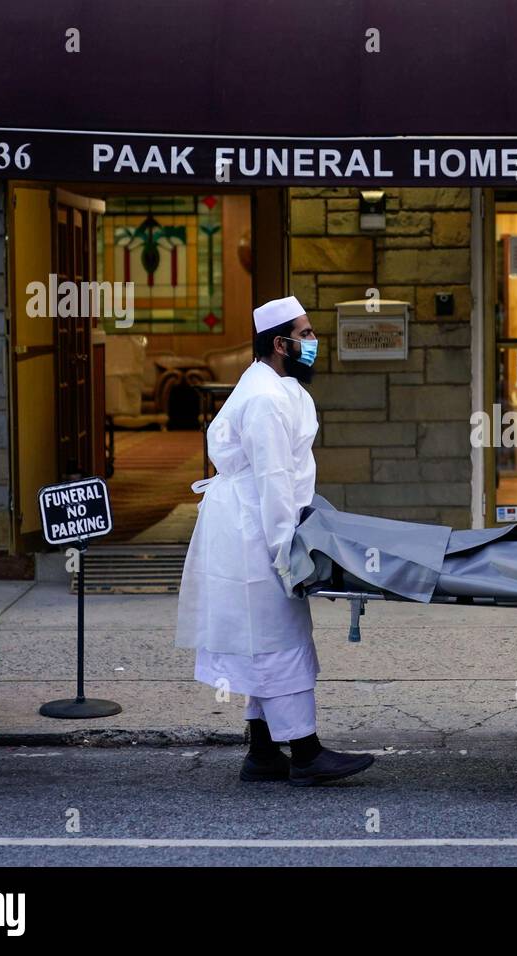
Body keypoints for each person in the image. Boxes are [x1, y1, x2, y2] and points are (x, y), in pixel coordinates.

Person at [176, 295, 374, 786]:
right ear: (280, 344)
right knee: (278, 639)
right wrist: (287, 553)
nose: (313, 343)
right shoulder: (265, 397)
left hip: (253, 526)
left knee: (263, 640)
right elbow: (273, 481)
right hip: (257, 531)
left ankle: (263, 752)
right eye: (305, 334)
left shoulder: (272, 385)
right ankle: (304, 752)